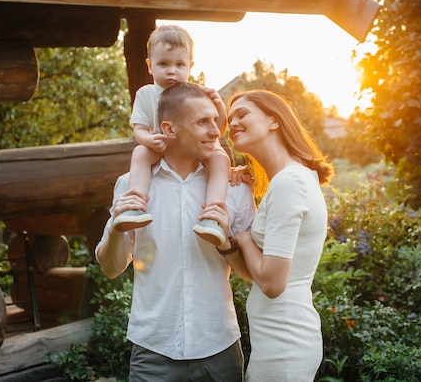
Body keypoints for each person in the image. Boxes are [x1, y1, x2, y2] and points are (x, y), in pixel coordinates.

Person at [95, 82, 256, 381]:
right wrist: (117, 229)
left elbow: (250, 273)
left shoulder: (233, 189)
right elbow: (110, 268)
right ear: (169, 129)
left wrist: (228, 242)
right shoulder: (131, 186)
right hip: (153, 351)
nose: (216, 131)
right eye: (202, 122)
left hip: (219, 348)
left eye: (214, 120)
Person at [220, 90, 335, 381]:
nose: (232, 123)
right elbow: (256, 274)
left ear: (274, 120)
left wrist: (244, 237)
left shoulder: (289, 182)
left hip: (284, 345)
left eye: (242, 114)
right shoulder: (290, 179)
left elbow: (272, 283)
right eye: (229, 119)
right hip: (278, 339)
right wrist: (226, 242)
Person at [113, 24, 231, 246]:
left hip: (195, 148)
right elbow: (138, 129)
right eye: (163, 64)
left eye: (179, 65)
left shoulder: (196, 94)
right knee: (140, 153)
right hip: (161, 147)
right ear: (149, 66)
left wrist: (219, 105)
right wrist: (149, 140)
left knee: (220, 158)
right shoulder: (146, 93)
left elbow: (218, 130)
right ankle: (136, 205)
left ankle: (212, 215)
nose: (171, 71)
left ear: (190, 66)